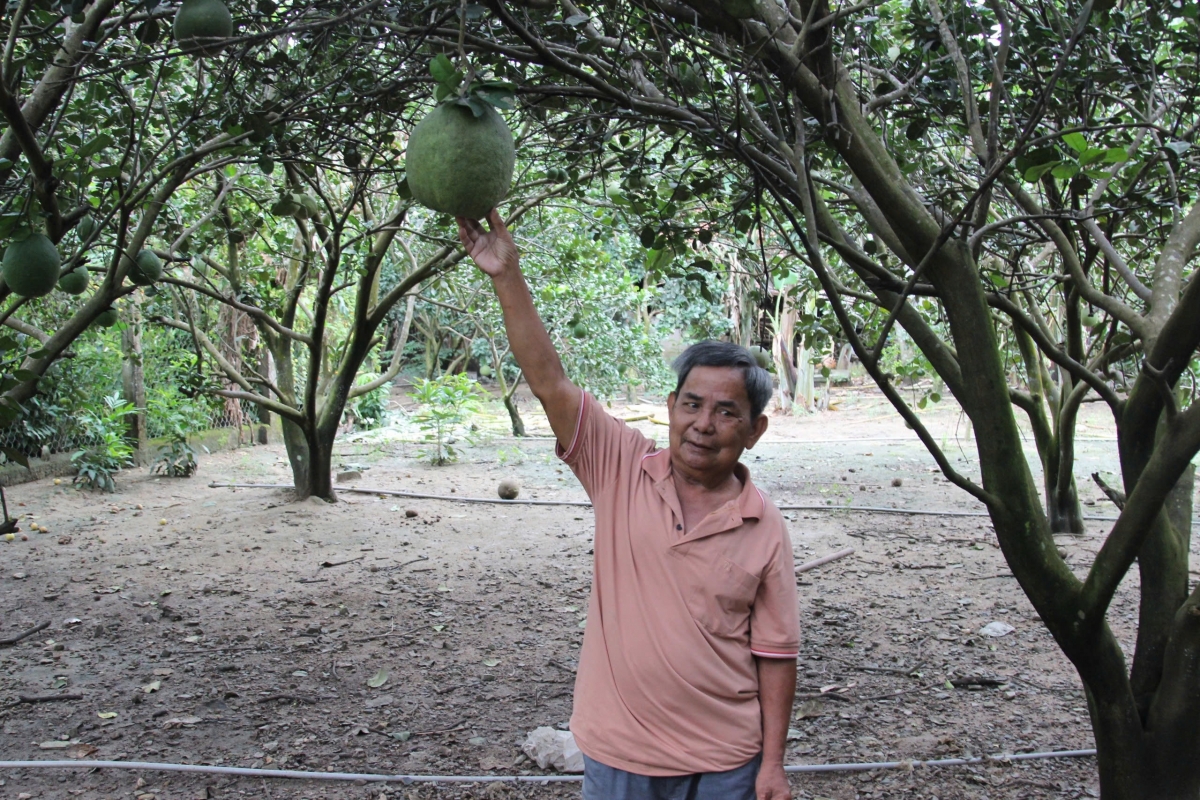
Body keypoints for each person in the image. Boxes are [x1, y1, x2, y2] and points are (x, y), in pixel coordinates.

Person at [459, 210, 801, 800]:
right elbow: (549, 381)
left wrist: (772, 765)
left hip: (726, 763)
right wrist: (506, 277)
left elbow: (775, 654)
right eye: (692, 405)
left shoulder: (764, 525)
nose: (703, 425)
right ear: (671, 407)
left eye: (726, 412)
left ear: (754, 430)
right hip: (620, 753)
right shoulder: (619, 465)